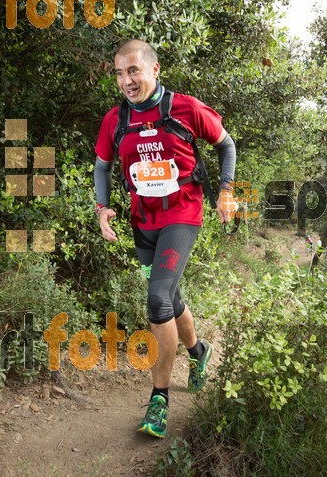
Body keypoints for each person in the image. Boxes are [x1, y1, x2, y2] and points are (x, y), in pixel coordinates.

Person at [93, 39, 237, 438]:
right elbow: (101, 167)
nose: (126, 80)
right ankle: (199, 351)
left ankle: (159, 400)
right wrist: (102, 207)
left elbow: (227, 145)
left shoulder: (186, 108)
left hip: (182, 215)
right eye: (120, 73)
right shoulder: (114, 121)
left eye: (133, 71)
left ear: (155, 70)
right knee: (170, 299)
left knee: (156, 300)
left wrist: (225, 189)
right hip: (143, 222)